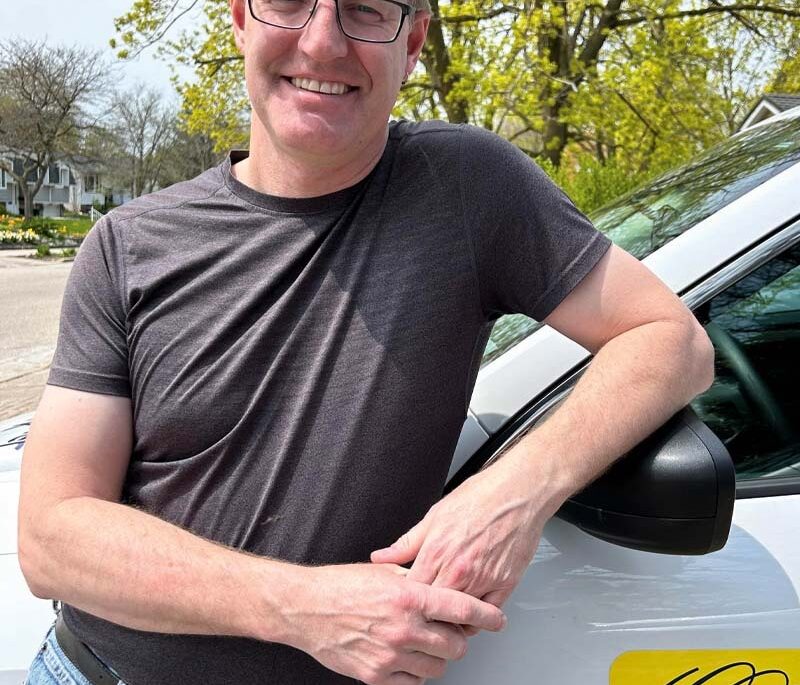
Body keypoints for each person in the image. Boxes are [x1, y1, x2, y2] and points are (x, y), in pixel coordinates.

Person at [18, 0, 715, 682]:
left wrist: (517, 491)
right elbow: (52, 537)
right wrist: (303, 608)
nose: (323, 43)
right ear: (239, 19)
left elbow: (670, 339)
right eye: (290, 2)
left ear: (412, 44)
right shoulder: (127, 246)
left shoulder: (468, 189)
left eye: (365, 10)